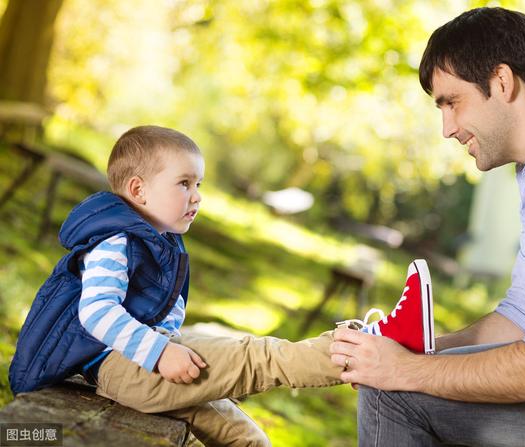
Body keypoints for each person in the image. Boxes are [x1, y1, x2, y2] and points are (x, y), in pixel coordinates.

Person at [330, 7, 525, 447]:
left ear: (501, 81)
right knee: (397, 382)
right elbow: (524, 314)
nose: (447, 128)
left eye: (452, 103)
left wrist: (401, 368)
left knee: (392, 391)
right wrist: (425, 348)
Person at [9, 125, 348, 447]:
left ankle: (350, 352)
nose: (197, 197)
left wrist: (166, 346)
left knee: (248, 440)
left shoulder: (159, 241)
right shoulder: (115, 241)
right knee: (253, 357)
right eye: (184, 183)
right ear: (138, 190)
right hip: (122, 366)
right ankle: (351, 352)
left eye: (198, 184)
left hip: (141, 360)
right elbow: (97, 312)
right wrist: (159, 353)